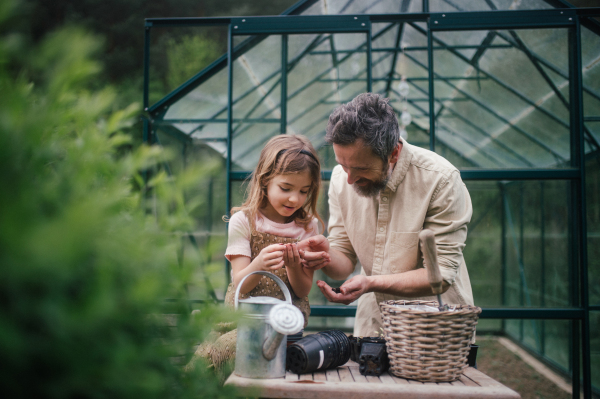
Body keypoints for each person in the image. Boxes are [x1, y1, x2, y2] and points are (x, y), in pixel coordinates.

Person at [298, 93, 474, 338]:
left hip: (437, 332)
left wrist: (370, 283)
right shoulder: (341, 180)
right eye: (343, 165)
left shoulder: (440, 179)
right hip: (373, 328)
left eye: (360, 168)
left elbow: (441, 275)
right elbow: (345, 259)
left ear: (393, 153)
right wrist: (325, 254)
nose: (349, 178)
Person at [187, 134, 327, 376]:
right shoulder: (243, 221)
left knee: (230, 353)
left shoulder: (308, 227)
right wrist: (259, 262)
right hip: (240, 317)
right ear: (265, 180)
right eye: (286, 188)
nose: (295, 198)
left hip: (282, 325)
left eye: (304, 191)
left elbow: (303, 291)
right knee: (213, 357)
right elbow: (240, 284)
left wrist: (294, 267)